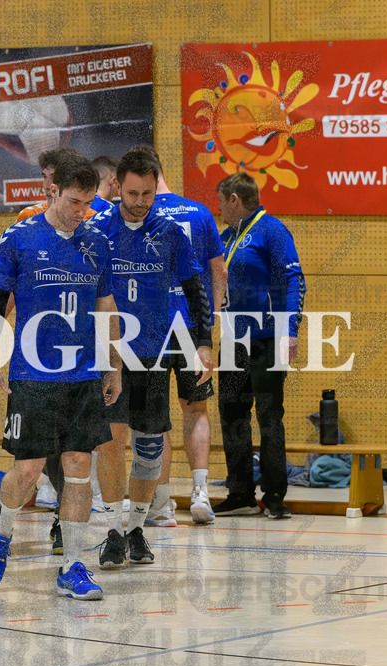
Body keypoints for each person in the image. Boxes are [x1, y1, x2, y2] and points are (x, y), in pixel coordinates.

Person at [0, 156, 120, 600]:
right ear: (53, 190)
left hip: (82, 375)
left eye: (89, 203)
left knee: (79, 469)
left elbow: (106, 307)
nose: (83, 211)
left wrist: (112, 364)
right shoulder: (18, 238)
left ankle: (72, 565)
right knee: (29, 469)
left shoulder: (96, 240)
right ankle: (1, 530)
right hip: (33, 375)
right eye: (75, 201)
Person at [85, 148, 213, 569]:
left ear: (158, 186)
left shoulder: (171, 231)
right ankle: (112, 532)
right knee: (111, 440)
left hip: (155, 352)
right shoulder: (98, 230)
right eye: (133, 193)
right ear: (117, 186)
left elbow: (196, 289)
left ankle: (136, 529)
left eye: (148, 193)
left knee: (148, 447)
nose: (140, 202)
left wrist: (203, 342)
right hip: (110, 355)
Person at [134, 145, 227, 526]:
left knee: (154, 417)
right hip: (191, 324)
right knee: (196, 409)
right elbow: (218, 272)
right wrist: (211, 321)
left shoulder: (139, 214)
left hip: (151, 328)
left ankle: (160, 505)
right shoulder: (199, 212)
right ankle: (201, 494)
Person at [214, 172, 306, 520]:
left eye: (221, 201)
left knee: (269, 415)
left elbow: (294, 280)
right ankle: (239, 492)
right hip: (234, 340)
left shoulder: (272, 230)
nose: (219, 208)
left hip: (267, 339)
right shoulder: (227, 237)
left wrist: (290, 330)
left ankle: (275, 494)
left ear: (235, 199)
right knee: (232, 414)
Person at [17, 148, 111, 224]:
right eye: (45, 177)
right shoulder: (29, 215)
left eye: (54, 177)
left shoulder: (97, 217)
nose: (47, 186)